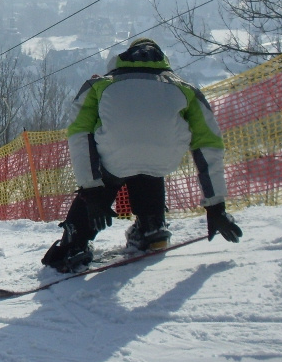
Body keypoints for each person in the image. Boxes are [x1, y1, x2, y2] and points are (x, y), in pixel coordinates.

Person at [42, 38, 243, 273]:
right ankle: (152, 227)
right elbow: (208, 145)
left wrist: (91, 189)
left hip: (113, 160)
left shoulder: (98, 86)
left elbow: (79, 135)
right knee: (149, 162)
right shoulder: (186, 89)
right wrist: (216, 205)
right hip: (163, 160)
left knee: (115, 160)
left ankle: (75, 241)